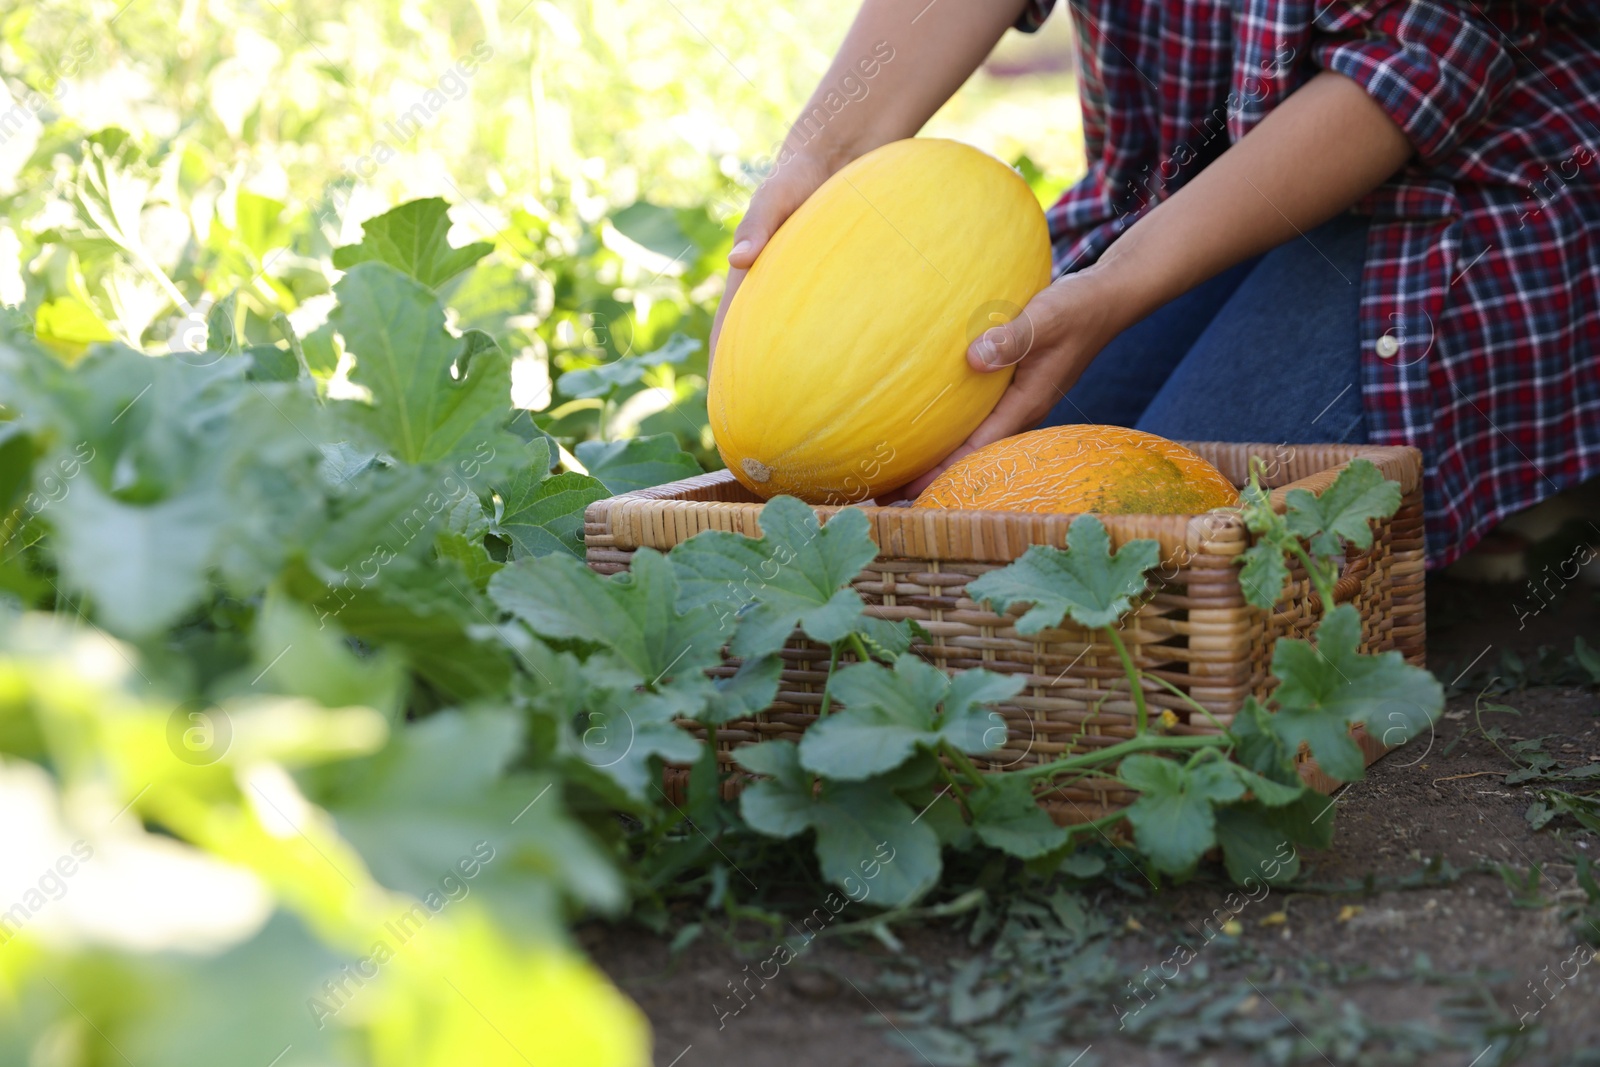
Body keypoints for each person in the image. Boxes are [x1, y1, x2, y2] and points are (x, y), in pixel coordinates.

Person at [710, 0, 1600, 568]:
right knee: (968, 496)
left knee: (1145, 556)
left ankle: (1534, 481)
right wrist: (818, 165)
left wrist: (1116, 289)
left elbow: (1411, 70)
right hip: (1174, 198)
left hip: (1444, 196)